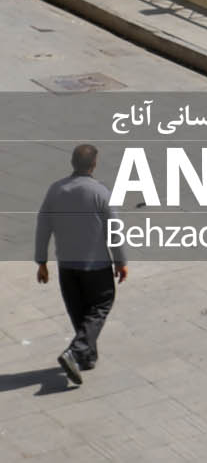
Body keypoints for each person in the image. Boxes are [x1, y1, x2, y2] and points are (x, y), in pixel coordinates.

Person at [34, 143, 128, 386]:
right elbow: (114, 230)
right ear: (94, 165)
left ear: (72, 163)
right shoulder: (100, 192)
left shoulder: (56, 190)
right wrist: (120, 261)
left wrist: (41, 261)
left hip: (67, 266)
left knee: (79, 311)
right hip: (96, 266)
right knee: (101, 305)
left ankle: (86, 358)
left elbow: (43, 226)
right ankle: (75, 353)